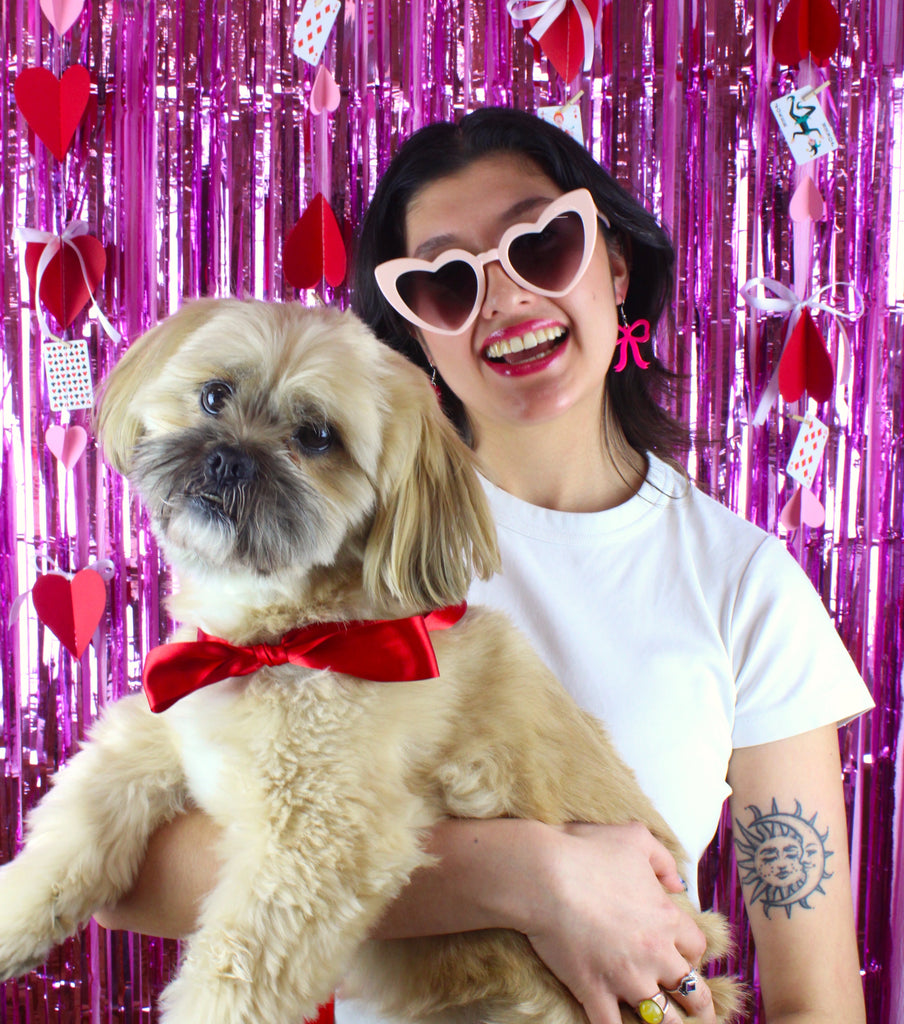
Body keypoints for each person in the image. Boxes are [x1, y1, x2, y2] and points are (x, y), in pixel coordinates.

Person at [96, 107, 873, 1024]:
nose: (503, 299)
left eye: (540, 247)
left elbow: (815, 997)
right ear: (415, 334)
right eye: (447, 284)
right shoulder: (326, 530)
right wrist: (529, 879)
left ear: (614, 267)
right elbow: (126, 871)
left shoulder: (745, 583)